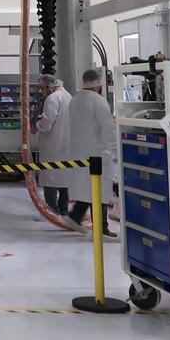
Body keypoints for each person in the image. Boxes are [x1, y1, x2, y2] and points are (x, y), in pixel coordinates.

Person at [63, 69, 117, 239]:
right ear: (99, 84)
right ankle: (101, 228)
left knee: (88, 189)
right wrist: (116, 151)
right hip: (98, 153)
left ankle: (75, 216)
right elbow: (108, 130)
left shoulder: (75, 100)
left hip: (79, 152)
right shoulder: (99, 102)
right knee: (99, 190)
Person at [35, 74, 71, 215]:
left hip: (53, 144)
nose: (41, 91)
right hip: (66, 144)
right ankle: (64, 211)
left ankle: (52, 212)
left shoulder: (52, 98)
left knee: (50, 178)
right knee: (64, 179)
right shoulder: (68, 96)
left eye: (42, 88)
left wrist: (37, 124)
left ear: (50, 86)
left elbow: (46, 124)